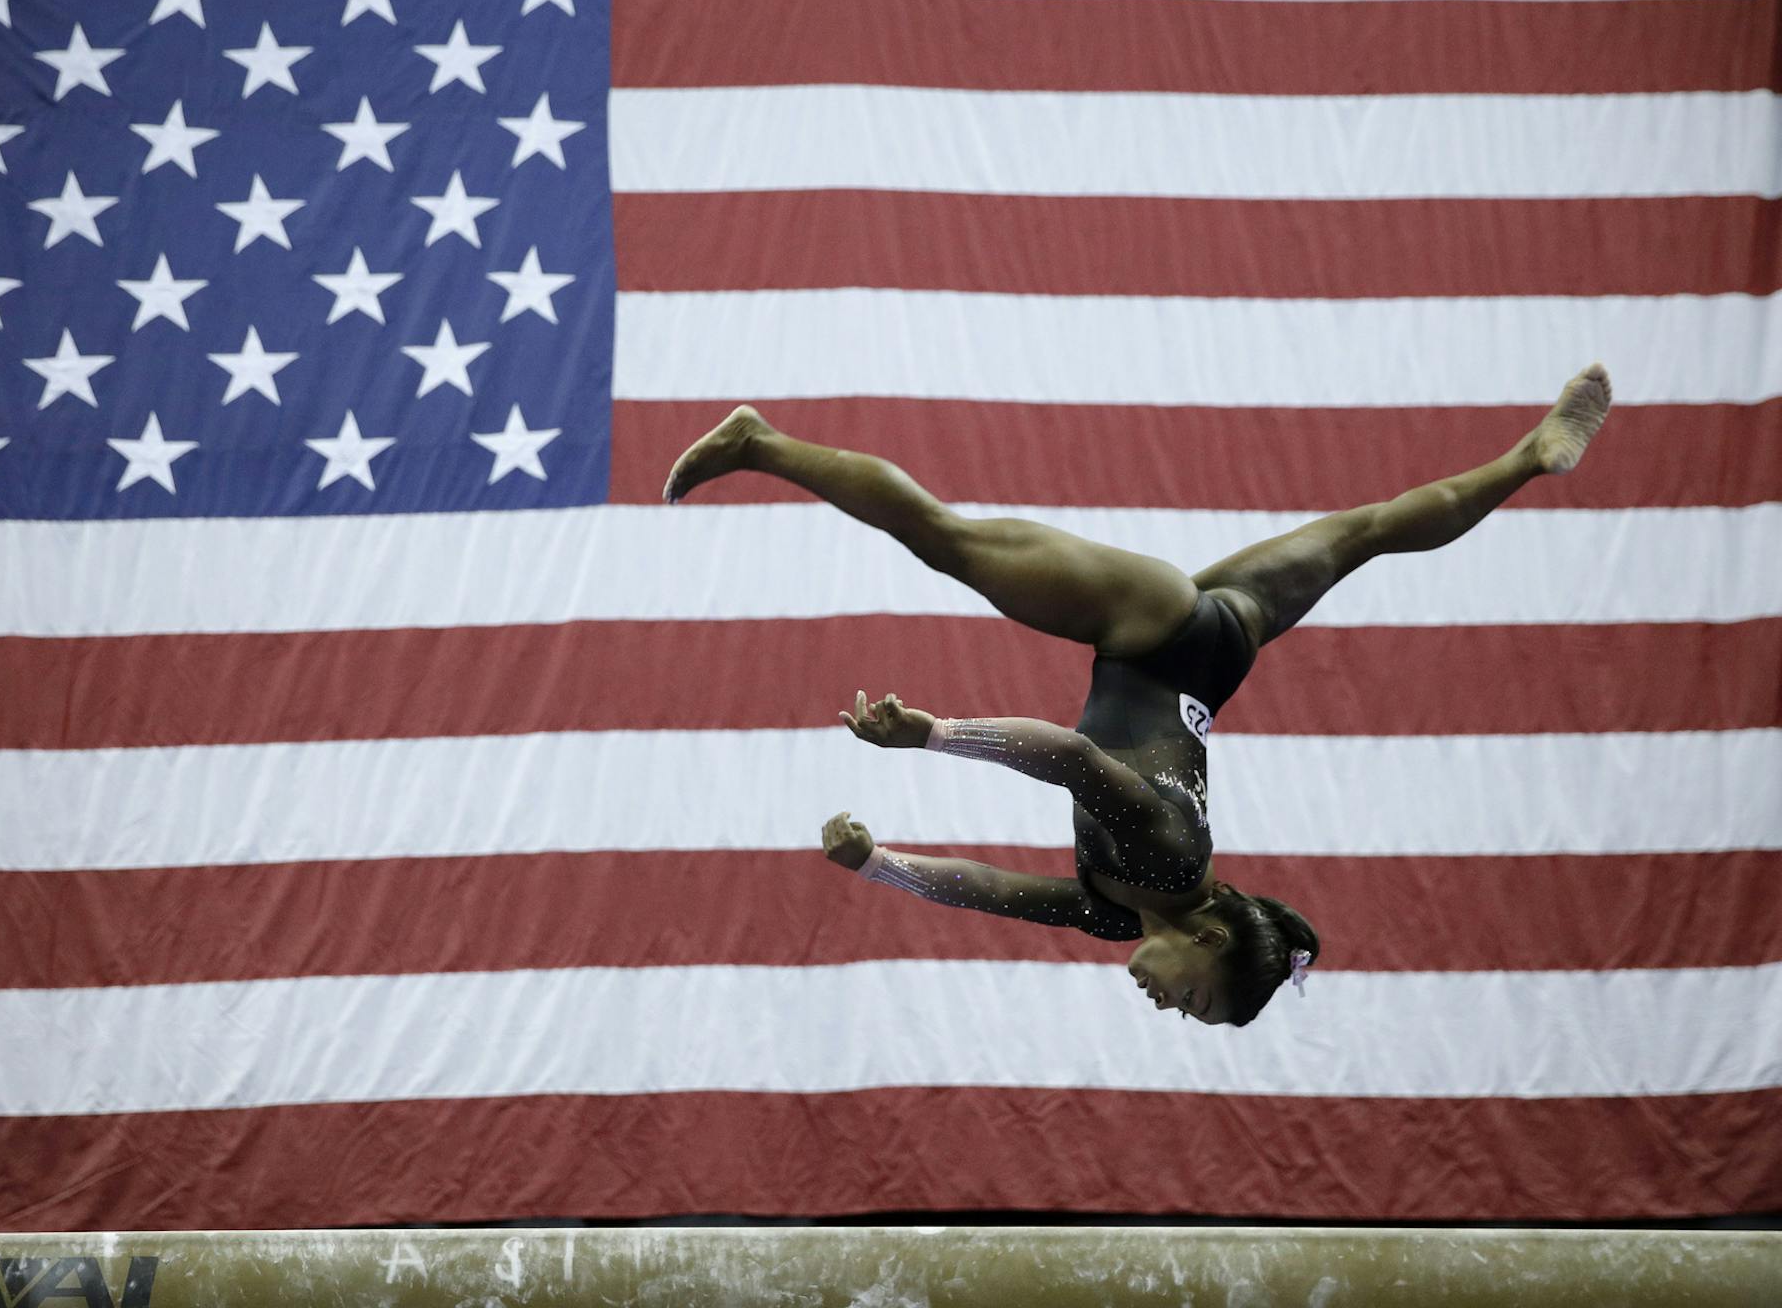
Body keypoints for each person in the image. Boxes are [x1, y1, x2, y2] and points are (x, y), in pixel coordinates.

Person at [662, 365, 1614, 1026]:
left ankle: (1529, 456)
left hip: (1213, 657)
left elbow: (995, 892)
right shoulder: (1166, 865)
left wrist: (882, 865)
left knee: (1365, 533)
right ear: (1208, 934)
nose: (1169, 1008)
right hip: (1147, 629)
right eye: (1196, 999)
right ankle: (761, 442)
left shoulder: (1126, 911)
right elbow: (1074, 759)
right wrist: (932, 736)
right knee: (944, 539)